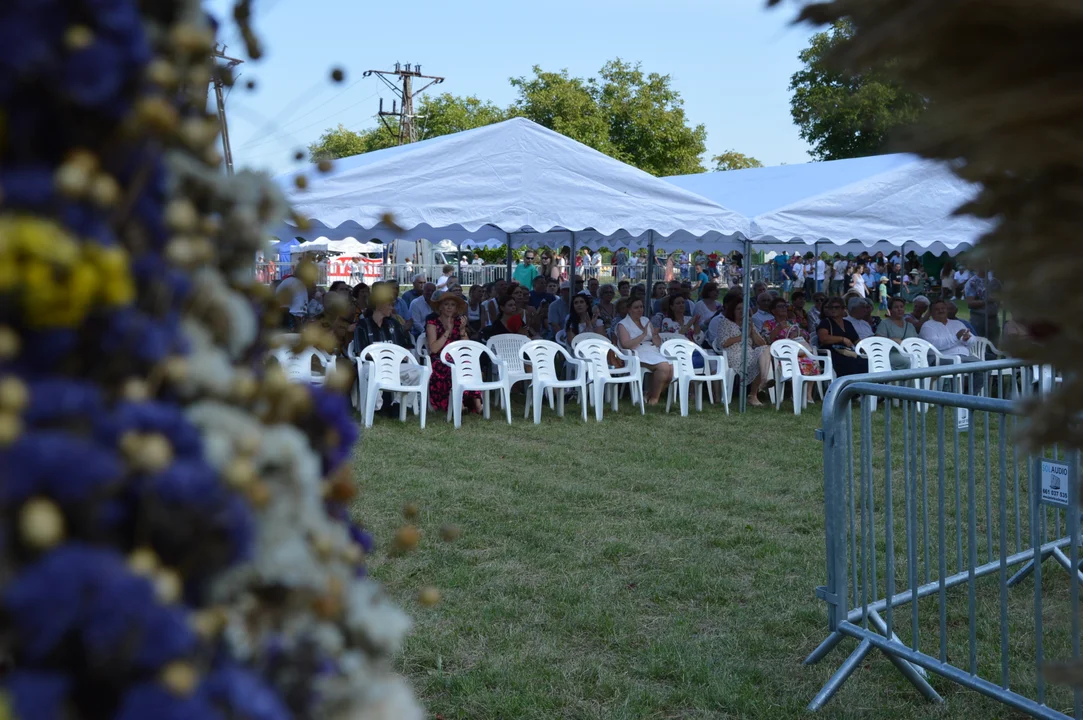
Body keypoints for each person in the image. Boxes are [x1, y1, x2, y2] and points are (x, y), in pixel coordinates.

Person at [353, 285, 419, 418]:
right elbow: (361, 353)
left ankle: (399, 405)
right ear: (378, 305)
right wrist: (381, 357)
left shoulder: (393, 324)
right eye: (389, 305)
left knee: (416, 372)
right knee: (373, 371)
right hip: (372, 365)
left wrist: (401, 356)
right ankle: (376, 408)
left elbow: (405, 347)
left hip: (394, 364)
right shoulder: (362, 325)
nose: (392, 308)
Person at [426, 291, 483, 415]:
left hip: (458, 358)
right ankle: (460, 405)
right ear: (440, 307)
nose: (449, 307)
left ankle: (478, 404)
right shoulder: (432, 323)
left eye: (452, 305)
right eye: (446, 304)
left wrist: (462, 330)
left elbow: (467, 347)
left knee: (470, 366)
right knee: (452, 368)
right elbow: (434, 348)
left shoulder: (459, 323)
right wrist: (447, 331)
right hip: (439, 360)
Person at [710, 293, 772, 406]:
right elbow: (723, 343)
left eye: (743, 309)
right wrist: (743, 336)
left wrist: (752, 329)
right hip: (733, 353)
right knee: (760, 360)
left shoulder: (748, 323)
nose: (741, 311)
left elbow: (762, 343)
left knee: (765, 350)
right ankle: (756, 391)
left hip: (749, 352)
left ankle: (758, 388)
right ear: (732, 310)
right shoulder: (725, 322)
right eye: (738, 309)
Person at [761, 297, 821, 405]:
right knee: (798, 363)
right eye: (780, 306)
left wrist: (799, 334)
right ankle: (795, 392)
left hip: (797, 352)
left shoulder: (792, 322)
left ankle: (808, 394)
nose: (784, 308)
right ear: (773, 311)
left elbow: (806, 335)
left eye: (785, 306)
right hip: (781, 355)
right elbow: (766, 340)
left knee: (812, 363)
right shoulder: (768, 324)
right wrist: (778, 329)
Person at [616, 298, 674, 405]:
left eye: (641, 307)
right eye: (636, 307)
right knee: (663, 367)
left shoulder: (645, 320)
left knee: (672, 368)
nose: (640, 310)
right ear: (629, 309)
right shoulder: (623, 324)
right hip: (636, 353)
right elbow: (626, 344)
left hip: (652, 350)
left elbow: (656, 342)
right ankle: (654, 399)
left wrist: (656, 335)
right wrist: (642, 335)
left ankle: (649, 394)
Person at [919, 298, 984, 393]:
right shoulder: (928, 326)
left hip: (963, 357)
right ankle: (964, 399)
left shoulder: (957, 323)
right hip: (941, 358)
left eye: (943, 308)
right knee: (976, 366)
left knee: (985, 368)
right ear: (931, 312)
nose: (941, 311)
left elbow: (973, 340)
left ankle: (968, 397)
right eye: (937, 309)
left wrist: (967, 339)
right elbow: (935, 345)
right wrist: (956, 337)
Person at [817, 298, 869, 377]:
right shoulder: (825, 323)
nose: (833, 309)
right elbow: (823, 338)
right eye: (831, 307)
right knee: (851, 363)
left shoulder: (847, 324)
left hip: (848, 352)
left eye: (836, 307)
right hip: (831, 354)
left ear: (843, 309)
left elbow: (856, 341)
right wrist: (842, 339)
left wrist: (867, 352)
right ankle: (849, 386)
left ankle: (864, 386)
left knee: (866, 361)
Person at [875, 296, 919, 369]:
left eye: (901, 307)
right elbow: (878, 341)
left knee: (920, 359)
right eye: (896, 307)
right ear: (890, 310)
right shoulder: (885, 324)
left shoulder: (910, 325)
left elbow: (916, 342)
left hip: (910, 353)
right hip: (892, 354)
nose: (899, 309)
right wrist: (892, 340)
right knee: (909, 361)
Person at [964, 268, 1001, 344]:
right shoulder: (972, 282)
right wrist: (986, 301)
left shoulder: (995, 282)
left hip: (993, 318)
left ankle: (992, 356)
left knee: (993, 344)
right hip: (978, 318)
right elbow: (970, 303)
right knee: (978, 344)